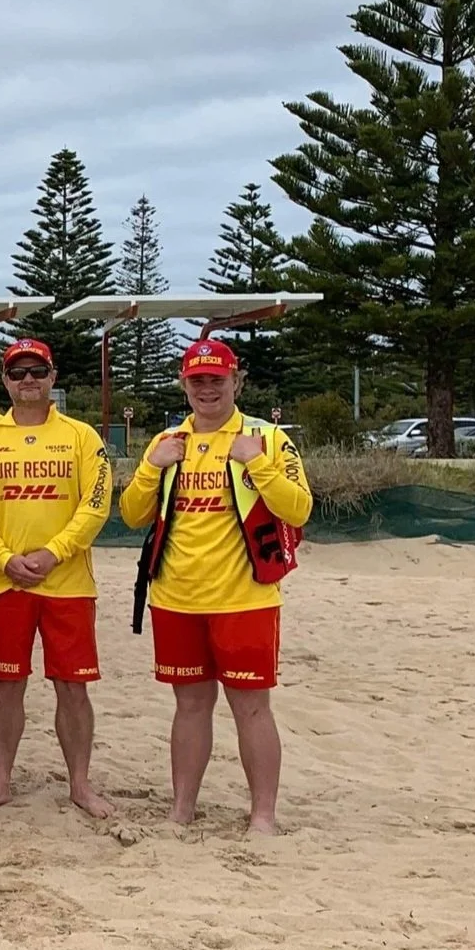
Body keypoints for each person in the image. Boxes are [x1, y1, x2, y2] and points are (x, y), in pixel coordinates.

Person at [118, 338, 313, 835]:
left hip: (245, 599)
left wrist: (258, 462)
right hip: (175, 597)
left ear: (236, 381)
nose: (207, 389)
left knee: (251, 708)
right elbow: (133, 514)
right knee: (189, 706)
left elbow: (299, 509)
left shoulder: (266, 438)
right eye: (197, 380)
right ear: (184, 384)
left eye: (217, 379)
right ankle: (182, 808)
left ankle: (263, 815)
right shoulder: (168, 440)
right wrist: (149, 467)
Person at [0, 340, 115, 817]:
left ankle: (80, 785)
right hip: (6, 583)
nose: (28, 379)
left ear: (53, 375)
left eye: (37, 370)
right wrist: (4, 558)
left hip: (67, 584)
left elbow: (97, 503)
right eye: (17, 372)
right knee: (8, 687)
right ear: (4, 381)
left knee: (73, 687)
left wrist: (54, 553)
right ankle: (0, 781)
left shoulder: (82, 436)